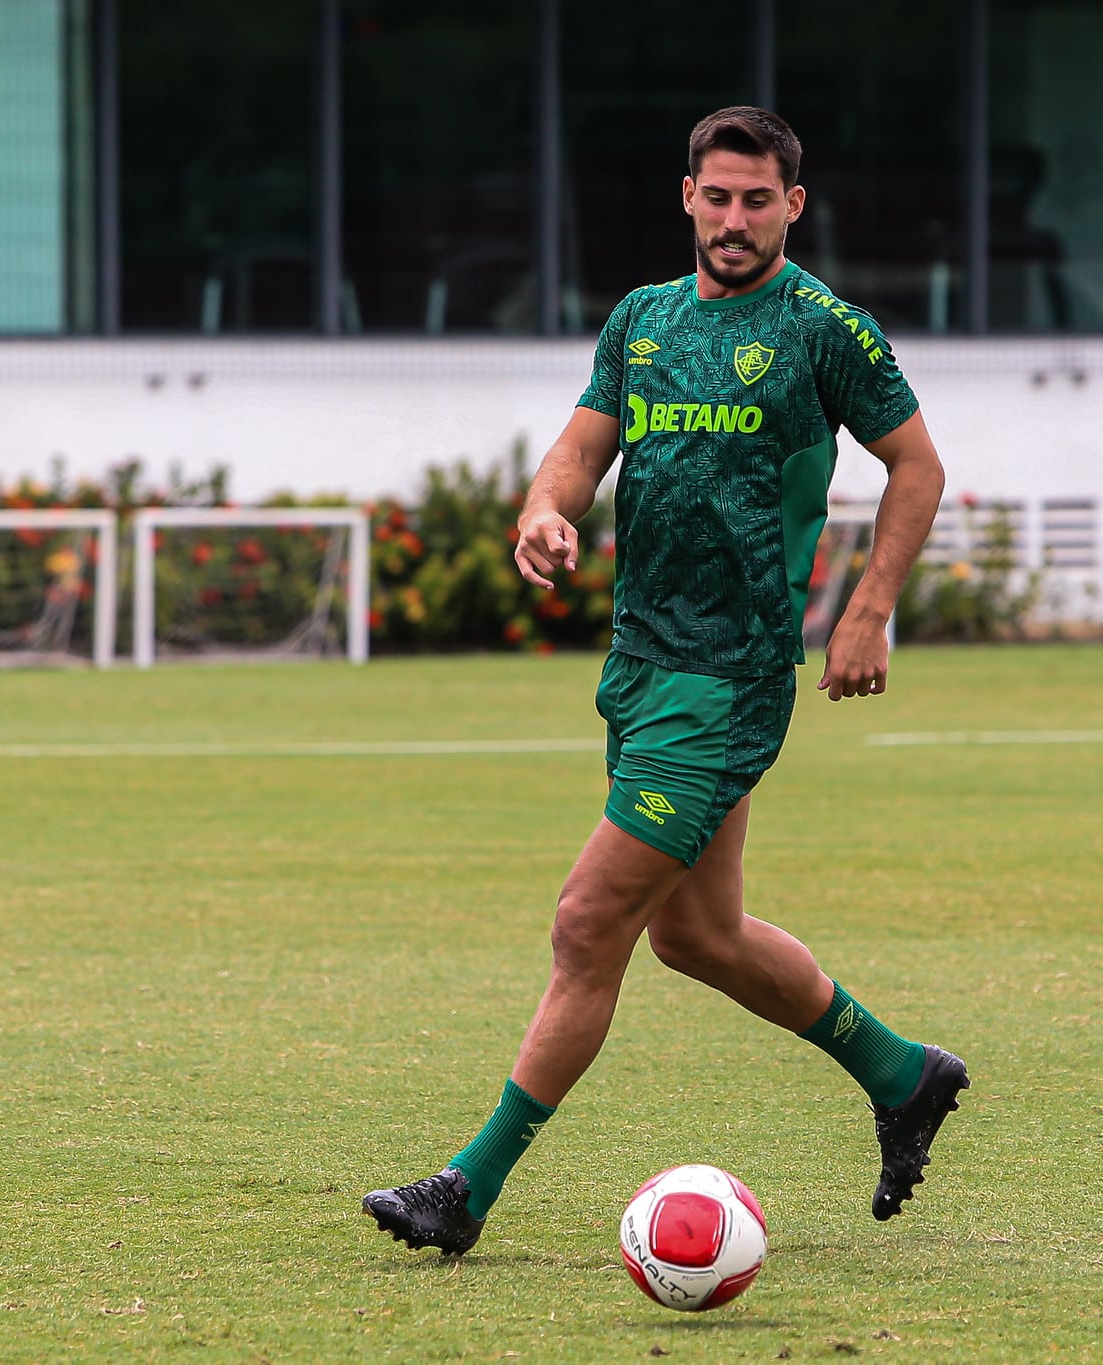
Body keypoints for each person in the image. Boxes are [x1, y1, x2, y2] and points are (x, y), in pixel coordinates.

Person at [362, 107, 966, 1257]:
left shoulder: (821, 328)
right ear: (684, 196)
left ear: (793, 205)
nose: (733, 219)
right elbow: (583, 449)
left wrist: (867, 612)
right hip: (639, 665)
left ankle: (464, 1191)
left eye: (756, 199)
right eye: (715, 196)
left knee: (589, 921)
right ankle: (902, 1074)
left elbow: (916, 465)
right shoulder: (640, 319)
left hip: (726, 680)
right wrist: (544, 510)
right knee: (698, 935)